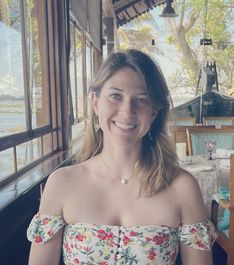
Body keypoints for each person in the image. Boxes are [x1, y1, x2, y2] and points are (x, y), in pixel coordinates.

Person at [27, 49, 216, 265]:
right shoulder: (62, 183)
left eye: (142, 100)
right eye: (116, 96)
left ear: (154, 112)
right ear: (95, 102)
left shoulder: (182, 187)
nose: (127, 111)